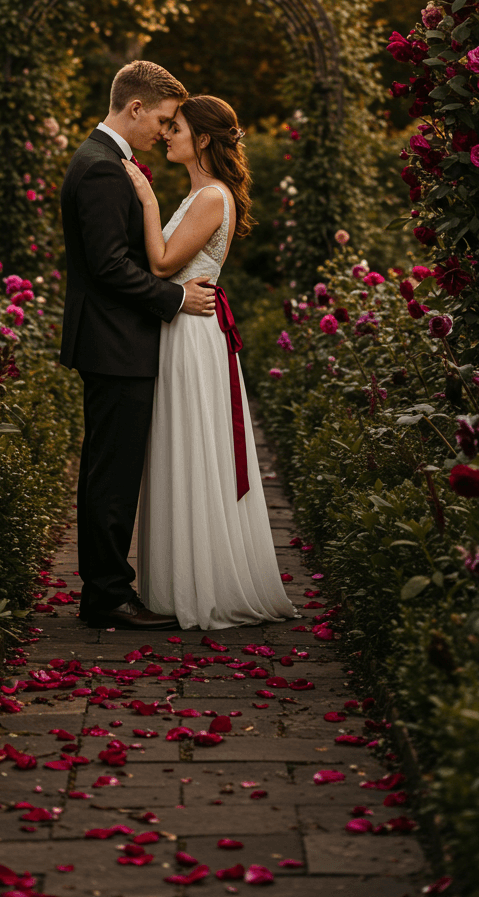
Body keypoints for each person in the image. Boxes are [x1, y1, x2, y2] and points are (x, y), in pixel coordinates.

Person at [122, 95, 297, 630]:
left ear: (201, 139)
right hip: (182, 326)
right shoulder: (200, 193)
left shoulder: (211, 197)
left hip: (193, 334)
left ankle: (206, 582)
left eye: (175, 128)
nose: (166, 135)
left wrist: (148, 203)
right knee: (181, 445)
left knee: (193, 444)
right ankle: (181, 580)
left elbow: (163, 261)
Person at [60, 60, 217, 631]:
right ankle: (106, 595)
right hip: (113, 340)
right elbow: (107, 266)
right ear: (135, 108)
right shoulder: (102, 168)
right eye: (164, 119)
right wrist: (174, 300)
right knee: (112, 472)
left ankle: (106, 589)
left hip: (114, 339)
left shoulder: (105, 161)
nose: (165, 131)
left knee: (113, 468)